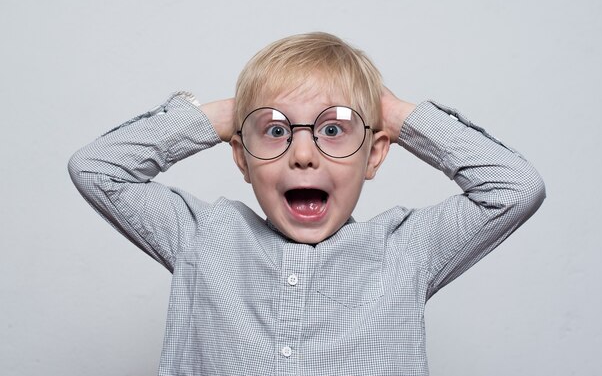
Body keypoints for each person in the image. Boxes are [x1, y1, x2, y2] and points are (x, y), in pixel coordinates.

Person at [68, 32, 545, 375]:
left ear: (374, 154)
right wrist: (227, 115)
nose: (301, 154)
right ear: (241, 157)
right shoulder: (202, 237)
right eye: (276, 130)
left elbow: (514, 188)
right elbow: (97, 169)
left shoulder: (406, 250)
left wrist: (399, 116)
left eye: (333, 129)